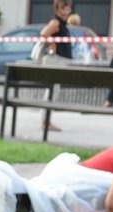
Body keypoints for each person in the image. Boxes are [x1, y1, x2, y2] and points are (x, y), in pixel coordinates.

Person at [38, 0, 76, 131]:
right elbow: (44, 33)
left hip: (61, 60)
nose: (66, 12)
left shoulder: (63, 23)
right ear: (58, 10)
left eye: (68, 9)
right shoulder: (56, 22)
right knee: (52, 91)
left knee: (53, 91)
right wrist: (52, 44)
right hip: (56, 60)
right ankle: (46, 121)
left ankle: (46, 120)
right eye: (63, 9)